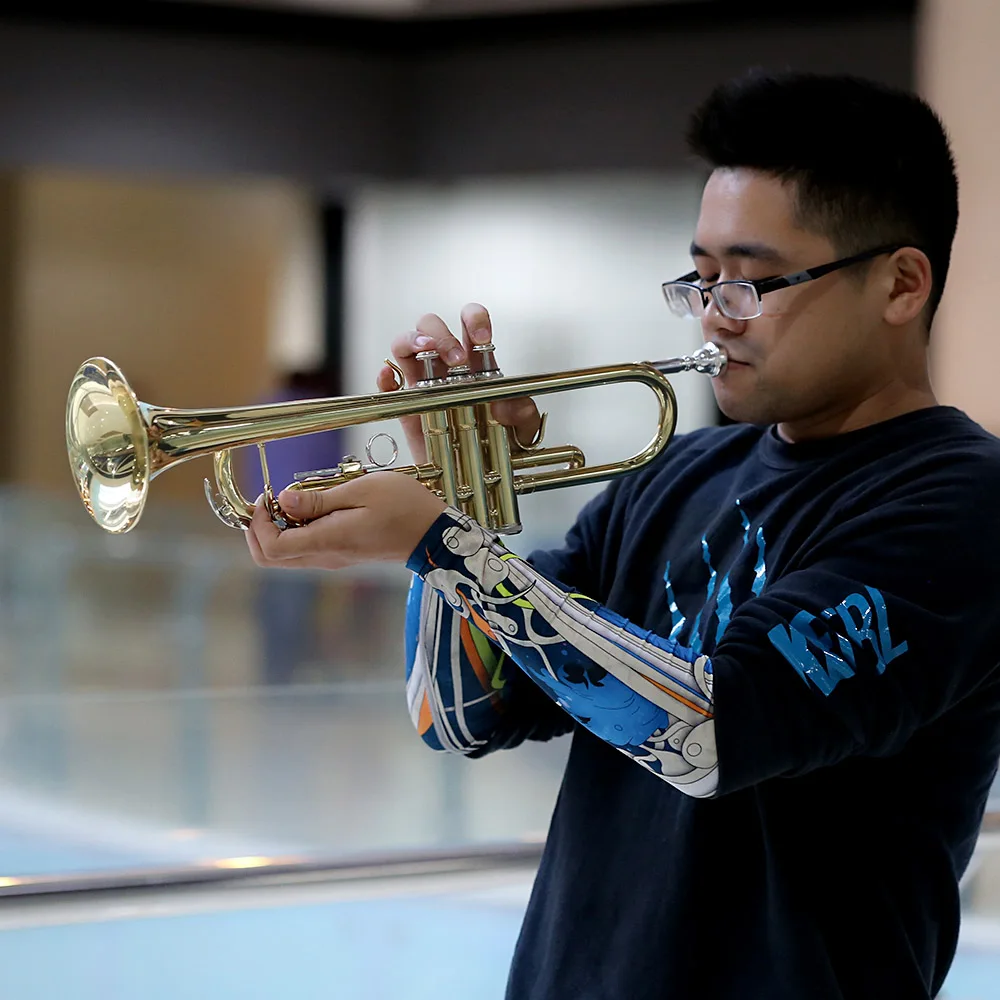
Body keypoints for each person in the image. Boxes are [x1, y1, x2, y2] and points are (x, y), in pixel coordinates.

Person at [245, 72, 1000, 1000]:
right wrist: (458, 496)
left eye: (752, 281)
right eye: (702, 277)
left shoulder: (962, 502)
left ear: (901, 284)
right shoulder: (679, 473)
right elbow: (457, 715)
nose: (716, 313)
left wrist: (447, 545)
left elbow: (708, 734)